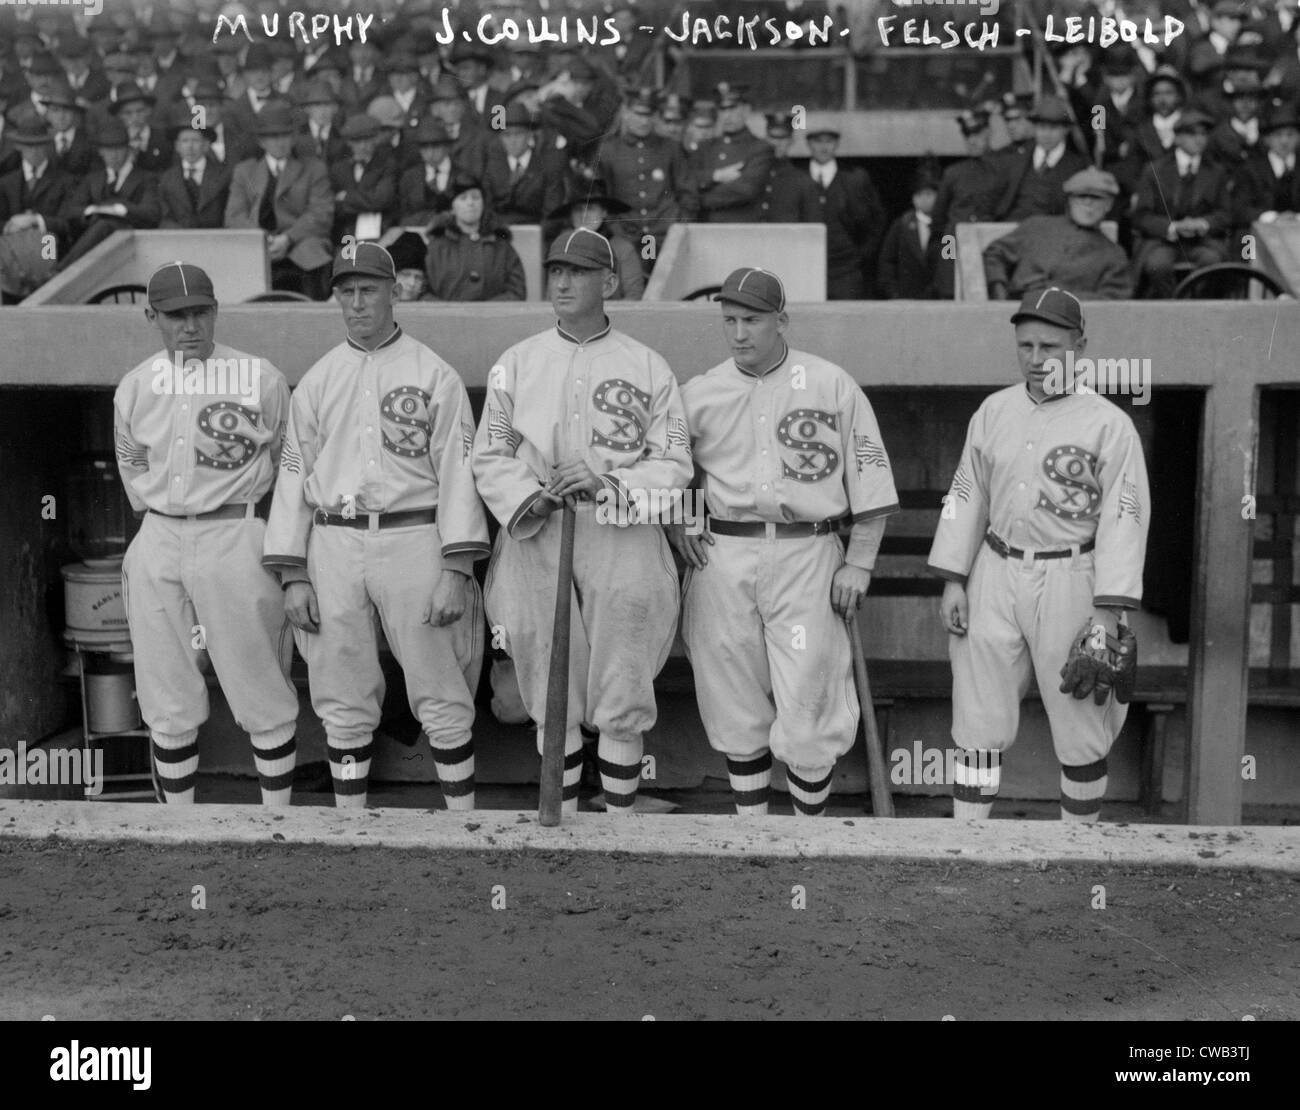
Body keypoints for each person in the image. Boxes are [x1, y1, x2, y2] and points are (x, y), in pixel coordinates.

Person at [472, 227, 692, 814]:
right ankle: (562, 827)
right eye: (556, 271)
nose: (564, 282)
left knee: (621, 680)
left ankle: (618, 827)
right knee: (550, 682)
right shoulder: (516, 362)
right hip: (539, 529)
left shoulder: (648, 366)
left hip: (620, 530)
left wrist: (611, 484)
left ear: (610, 282)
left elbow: (674, 462)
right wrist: (531, 499)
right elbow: (489, 455)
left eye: (579, 272)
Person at [263, 243, 489, 810]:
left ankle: (464, 828)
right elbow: (293, 475)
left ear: (395, 291)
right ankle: (350, 830)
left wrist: (456, 567)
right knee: (340, 688)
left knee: (439, 683)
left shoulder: (433, 373)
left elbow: (461, 472)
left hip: (414, 535)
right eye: (347, 290)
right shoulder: (317, 380)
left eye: (368, 289)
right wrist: (293, 572)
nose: (357, 302)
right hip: (334, 538)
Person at [674, 267, 899, 816]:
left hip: (808, 550)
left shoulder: (831, 384)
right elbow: (670, 467)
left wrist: (861, 562)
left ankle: (806, 840)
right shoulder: (699, 392)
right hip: (724, 555)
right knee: (733, 701)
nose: (739, 333)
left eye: (751, 319)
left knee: (808, 699)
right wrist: (682, 518)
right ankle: (754, 838)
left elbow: (869, 474)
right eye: (729, 320)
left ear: (782, 321)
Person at [928, 287, 1150, 822]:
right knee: (978, 717)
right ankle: (968, 846)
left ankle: (1077, 852)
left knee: (1080, 723)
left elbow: (1126, 515)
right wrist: (953, 578)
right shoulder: (993, 411)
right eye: (1025, 345)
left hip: (1072, 574)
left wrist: (1106, 610)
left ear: (1081, 345)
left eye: (1049, 346)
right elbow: (967, 493)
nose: (1035, 358)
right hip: (995, 569)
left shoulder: (1109, 423)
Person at [113, 262, 298, 804]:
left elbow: (291, 464)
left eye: (199, 313)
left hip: (235, 532)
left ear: (216, 312)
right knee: (166, 694)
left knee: (259, 685)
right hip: (160, 534)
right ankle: (180, 832)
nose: (189, 326)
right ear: (152, 316)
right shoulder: (135, 386)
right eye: (175, 315)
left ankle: (277, 828)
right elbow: (131, 463)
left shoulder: (259, 376)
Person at [224, 103, 334, 300]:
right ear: (261, 141)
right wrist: (262, 239)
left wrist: (288, 238)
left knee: (313, 252)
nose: (280, 142)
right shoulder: (245, 171)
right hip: (257, 245)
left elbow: (321, 213)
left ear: (293, 138)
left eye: (285, 135)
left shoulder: (313, 168)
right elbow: (234, 216)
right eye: (273, 137)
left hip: (300, 242)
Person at [983, 167, 1133, 301]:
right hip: (1016, 309)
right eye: (1081, 196)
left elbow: (1112, 302)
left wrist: (1062, 298)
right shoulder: (1037, 226)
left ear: (1108, 205)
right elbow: (995, 254)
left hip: (1066, 321)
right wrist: (998, 290)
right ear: (1070, 200)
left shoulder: (1114, 255)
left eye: (1096, 198)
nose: (1088, 204)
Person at [1132, 108, 1232, 298]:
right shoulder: (1155, 170)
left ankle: (1198, 306)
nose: (1199, 139)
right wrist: (1172, 227)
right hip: (1162, 240)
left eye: (1203, 134)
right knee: (1156, 265)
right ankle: (1174, 305)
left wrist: (1202, 224)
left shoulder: (1216, 171)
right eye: (1191, 134)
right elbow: (1141, 216)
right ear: (1177, 138)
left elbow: (1225, 214)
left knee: (1213, 263)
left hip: (1202, 241)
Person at [596, 87, 693, 270]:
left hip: (666, 234)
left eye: (649, 115)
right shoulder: (609, 150)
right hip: (626, 236)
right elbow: (603, 197)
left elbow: (687, 192)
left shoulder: (670, 148)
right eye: (638, 114)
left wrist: (680, 225)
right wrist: (617, 230)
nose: (644, 121)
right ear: (626, 113)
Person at [59, 116, 160, 269]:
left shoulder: (146, 178)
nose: (114, 155)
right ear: (101, 152)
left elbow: (151, 213)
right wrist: (93, 210)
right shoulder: (93, 179)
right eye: (108, 150)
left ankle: (62, 270)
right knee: (101, 224)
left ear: (128, 149)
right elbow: (70, 211)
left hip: (130, 246)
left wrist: (120, 209)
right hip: (95, 248)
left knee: (105, 225)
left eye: (119, 149)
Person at [805, 124, 885, 298]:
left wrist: (862, 254)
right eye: (818, 141)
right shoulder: (798, 177)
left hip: (846, 267)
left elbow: (876, 219)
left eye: (829, 141)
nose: (824, 147)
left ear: (837, 144)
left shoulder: (855, 178)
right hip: (806, 264)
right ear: (809, 144)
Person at [933, 108, 1005, 298]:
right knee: (950, 288)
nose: (972, 140)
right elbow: (939, 219)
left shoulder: (1004, 168)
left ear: (989, 132)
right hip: (954, 241)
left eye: (977, 133)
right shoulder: (953, 173)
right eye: (967, 135)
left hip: (989, 244)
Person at [423, 174, 526, 301]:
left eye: (476, 197)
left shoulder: (502, 247)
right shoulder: (435, 248)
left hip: (493, 318)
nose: (470, 203)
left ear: (483, 204)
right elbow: (422, 291)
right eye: (463, 198)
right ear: (452, 208)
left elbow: (517, 291)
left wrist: (486, 312)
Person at [995, 96, 1089, 222]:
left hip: (1054, 234)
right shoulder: (1014, 158)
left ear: (1065, 130)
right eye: (1042, 127)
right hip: (1011, 231)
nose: (1046, 134)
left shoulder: (1077, 167)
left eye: (1053, 128)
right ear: (1034, 128)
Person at [689, 83, 774, 223]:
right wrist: (716, 176)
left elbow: (746, 189)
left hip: (740, 229)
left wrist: (701, 198)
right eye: (722, 110)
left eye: (733, 109)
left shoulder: (760, 148)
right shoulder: (705, 147)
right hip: (706, 228)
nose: (727, 116)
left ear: (746, 110)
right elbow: (689, 180)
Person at [545, 191, 644, 300]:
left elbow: (634, 296)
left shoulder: (623, 249)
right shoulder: (560, 250)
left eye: (590, 208)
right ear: (571, 215)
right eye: (578, 209)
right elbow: (551, 297)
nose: (584, 215)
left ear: (604, 212)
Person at [878, 164, 940, 299]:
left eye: (929, 194)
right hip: (906, 298)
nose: (923, 199)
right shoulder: (901, 225)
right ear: (913, 198)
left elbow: (950, 261)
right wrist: (894, 294)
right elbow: (887, 262)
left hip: (938, 299)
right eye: (919, 195)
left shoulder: (946, 229)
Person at [158, 121, 232, 230]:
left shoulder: (224, 176)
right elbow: (164, 216)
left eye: (195, 141)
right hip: (179, 240)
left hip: (215, 238)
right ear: (177, 146)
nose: (190, 146)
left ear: (206, 145)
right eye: (185, 141)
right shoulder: (167, 179)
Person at [757, 111, 819, 224]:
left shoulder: (803, 182)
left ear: (791, 141)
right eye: (773, 137)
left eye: (783, 138)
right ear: (765, 139)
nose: (777, 143)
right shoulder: (752, 174)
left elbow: (811, 226)